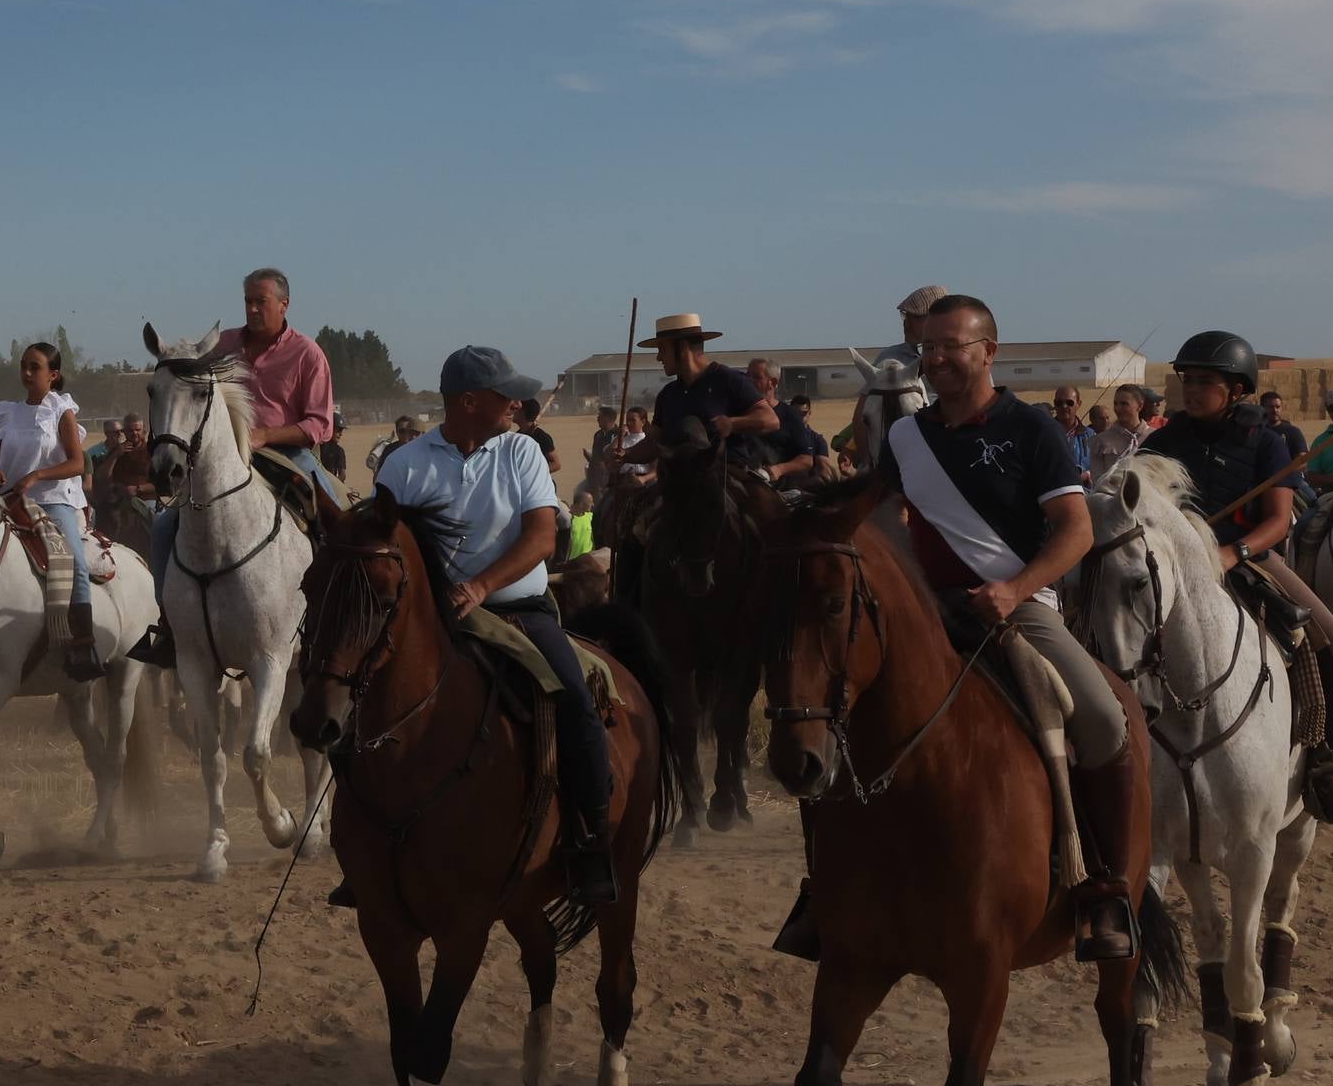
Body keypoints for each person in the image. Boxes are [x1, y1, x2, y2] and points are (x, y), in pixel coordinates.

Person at [785, 293, 1138, 961]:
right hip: (921, 611)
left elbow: (1076, 531)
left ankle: (1108, 891)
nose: (939, 358)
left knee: (1103, 717)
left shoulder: (1031, 430)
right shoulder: (905, 438)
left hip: (1017, 608)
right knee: (826, 711)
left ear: (989, 352)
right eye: (930, 347)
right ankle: (823, 888)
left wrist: (1014, 589)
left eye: (954, 346)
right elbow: (875, 514)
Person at [375, 345, 615, 907]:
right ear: (468, 401)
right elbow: (383, 545)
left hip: (517, 612)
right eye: (505, 394)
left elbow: (541, 538)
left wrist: (479, 587)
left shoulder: (522, 452)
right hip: (430, 620)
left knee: (577, 700)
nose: (517, 403)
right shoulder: (405, 464)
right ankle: (363, 842)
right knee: (354, 700)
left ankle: (592, 841)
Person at [1143, 331, 1333, 821]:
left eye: (1206, 381)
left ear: (1237, 389)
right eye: (1188, 379)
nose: (1192, 389)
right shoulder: (1161, 441)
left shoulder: (1265, 443)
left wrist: (1230, 552)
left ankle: (1324, 766)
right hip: (1171, 568)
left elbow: (1278, 520)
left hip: (1247, 560)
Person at [135, 267, 340, 663]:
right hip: (221, 457)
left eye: (259, 301)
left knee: (336, 521)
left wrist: (265, 435)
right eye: (247, 300)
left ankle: (331, 622)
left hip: (286, 455)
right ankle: (169, 628)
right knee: (163, 527)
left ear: (284, 304)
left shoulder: (307, 353)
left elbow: (320, 424)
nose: (251, 308)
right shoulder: (223, 346)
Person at [0, 342, 102, 680]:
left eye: (34, 367)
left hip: (53, 499)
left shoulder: (61, 409)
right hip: (8, 499)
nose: (26, 373)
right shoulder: (7, 412)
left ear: (53, 375)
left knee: (76, 564)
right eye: (23, 365)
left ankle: (84, 643)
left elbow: (77, 462)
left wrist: (37, 475)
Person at [633, 313, 778, 461]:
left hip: (725, 475)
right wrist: (623, 456)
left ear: (682, 347)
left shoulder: (729, 379)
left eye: (663, 349)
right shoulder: (667, 394)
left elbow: (771, 420)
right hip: (678, 477)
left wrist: (732, 424)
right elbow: (653, 444)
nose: (659, 357)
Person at [879, 284, 949, 369]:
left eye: (916, 317)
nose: (907, 324)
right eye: (905, 316)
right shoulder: (889, 358)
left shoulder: (957, 358)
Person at [1089, 384, 1149, 476]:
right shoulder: (1101, 441)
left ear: (1140, 406)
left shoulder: (1154, 437)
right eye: (1116, 403)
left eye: (1124, 404)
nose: (1117, 408)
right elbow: (1098, 480)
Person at [1049, 387, 1095, 479]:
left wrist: (1087, 475)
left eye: (1069, 403)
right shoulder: (1045, 434)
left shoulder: (1090, 435)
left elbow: (1097, 467)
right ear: (1054, 404)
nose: (1064, 406)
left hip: (1084, 491)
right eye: (1059, 403)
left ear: (1079, 404)